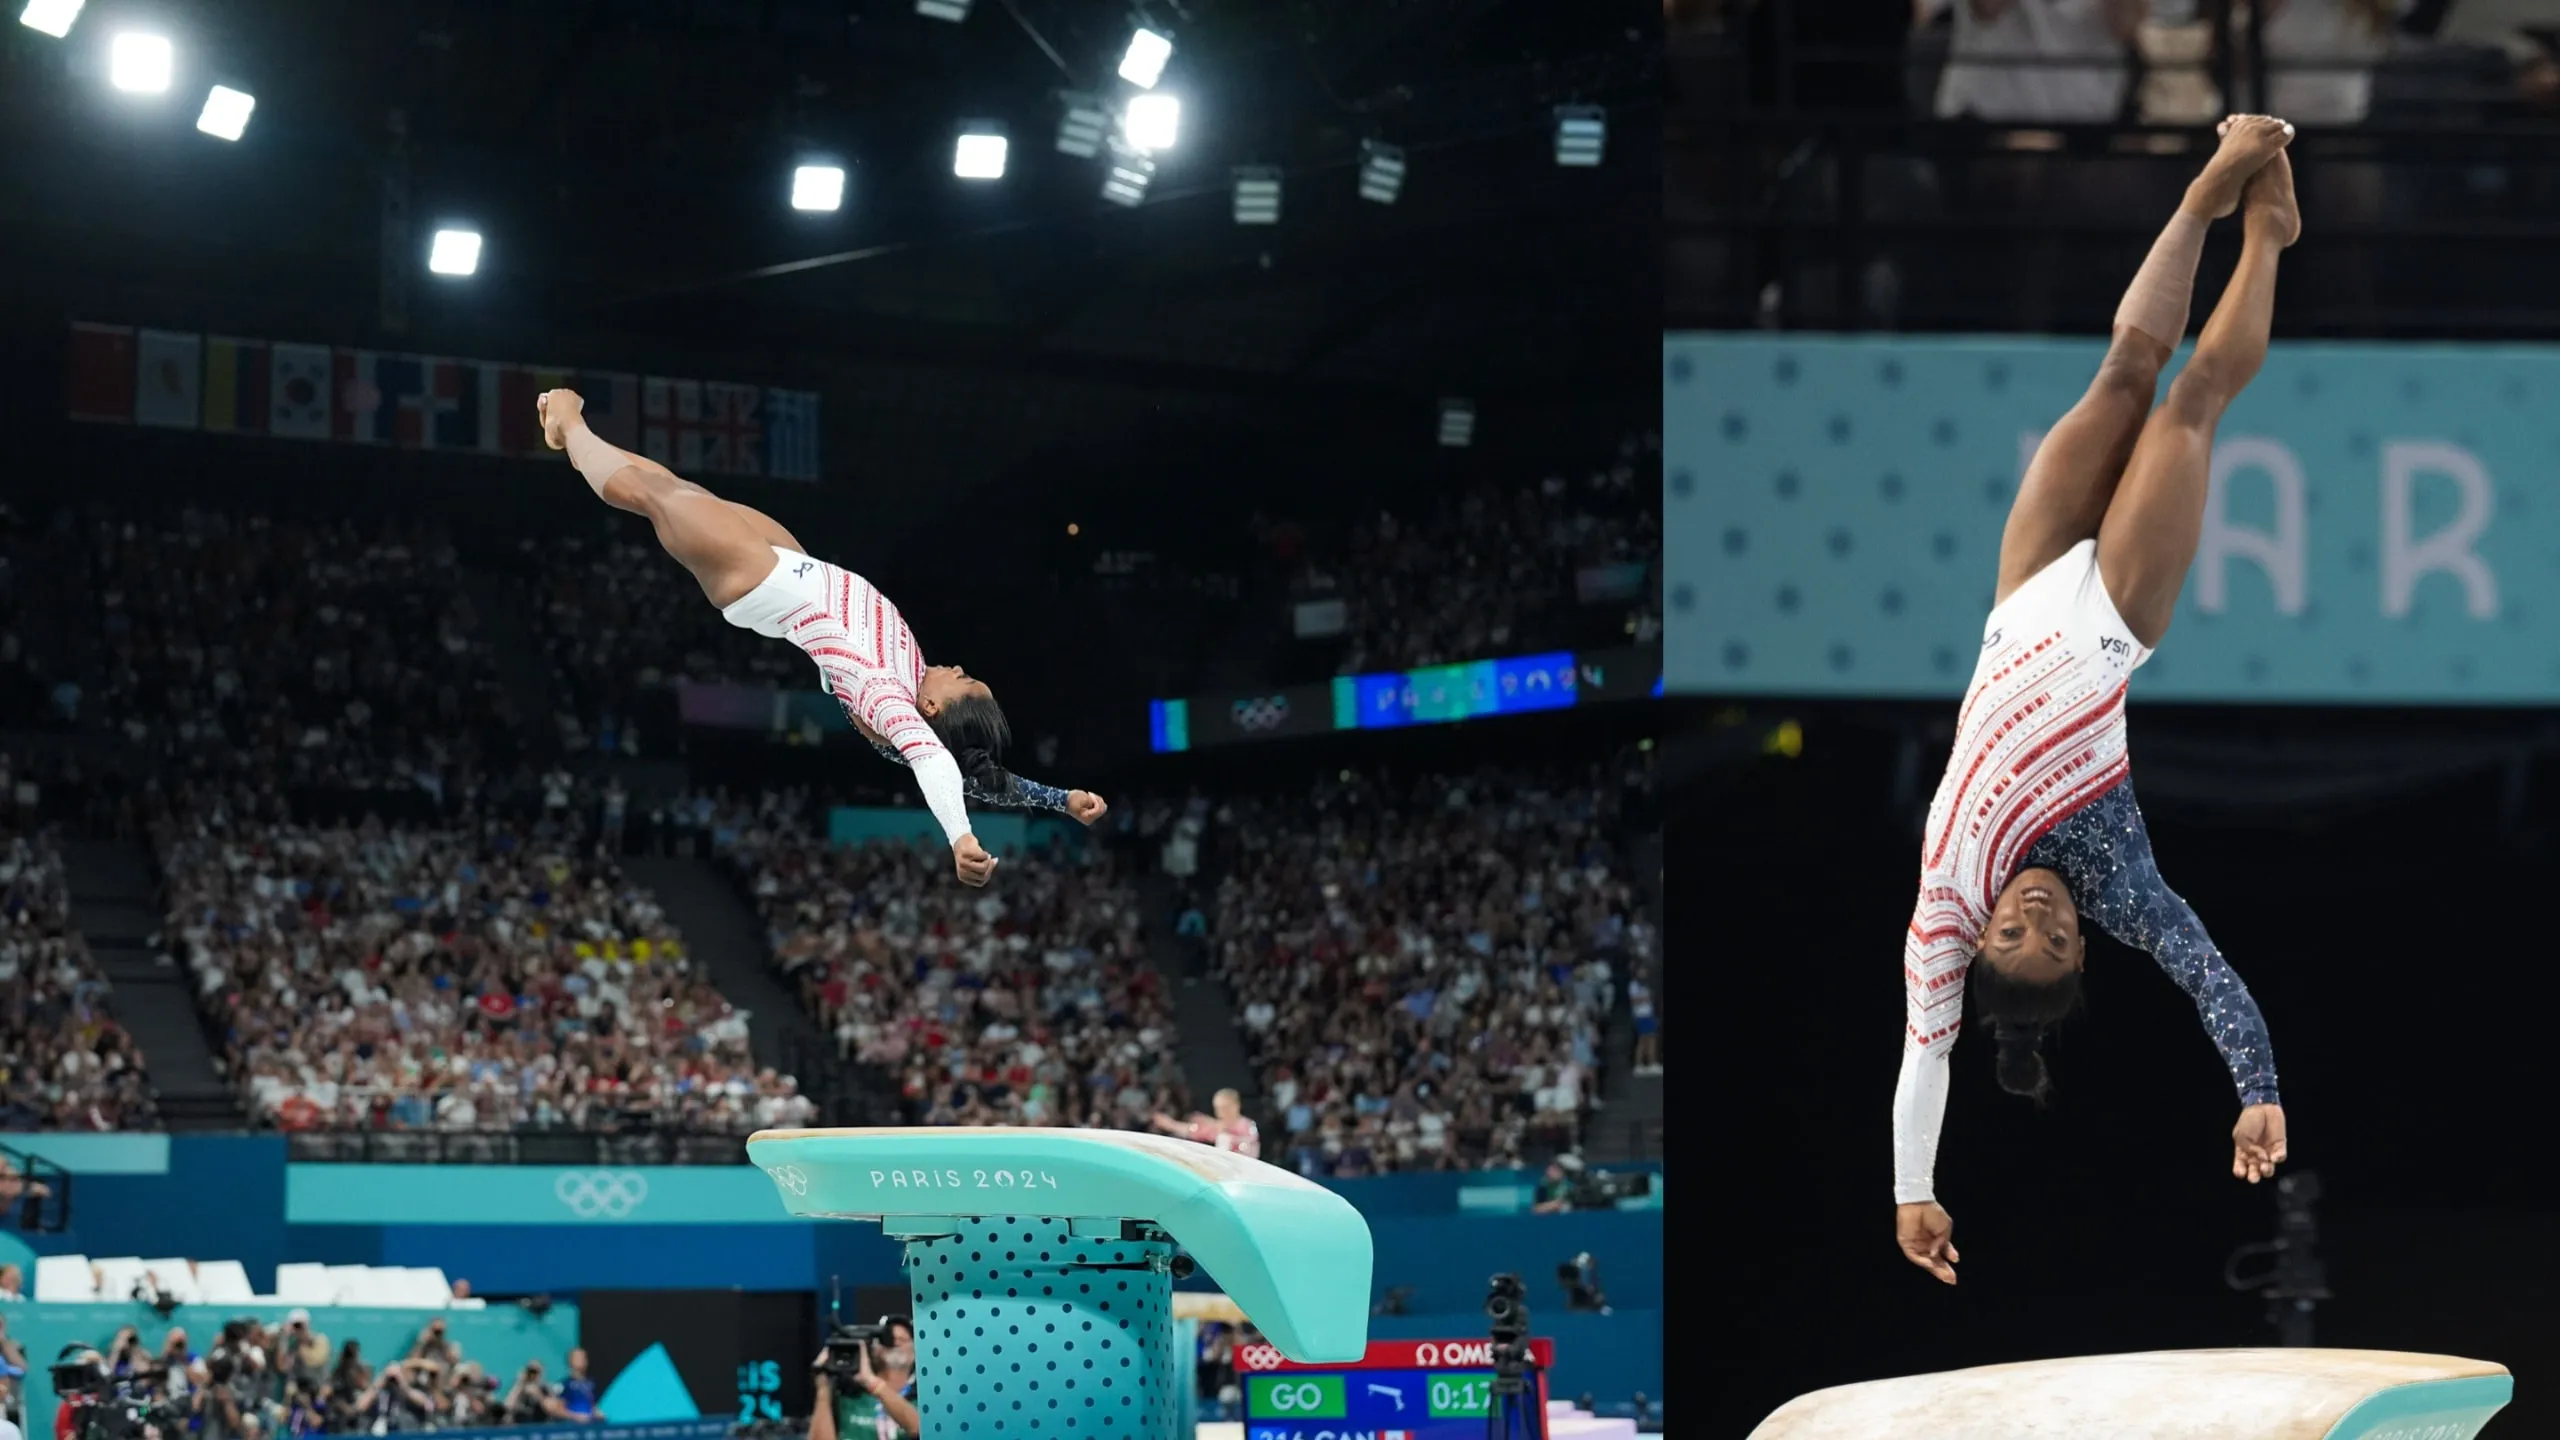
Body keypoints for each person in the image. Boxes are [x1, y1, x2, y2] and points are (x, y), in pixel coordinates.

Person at [1893, 116, 2302, 1286]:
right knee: (2186, 403)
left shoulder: (1940, 915)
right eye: (2057, 937)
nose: (2036, 913)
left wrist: (1912, 1192)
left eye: (2014, 934)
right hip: (2113, 619)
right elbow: (2211, 976)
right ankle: (2264, 231)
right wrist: (2256, 1093)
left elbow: (1924, 1063)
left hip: (2020, 595)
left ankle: (2206, 195)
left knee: (2121, 370)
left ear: (1979, 941)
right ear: (2084, 942)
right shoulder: (2122, 887)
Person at [537, 389, 1109, 887]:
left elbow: (934, 761)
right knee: (677, 488)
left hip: (760, 578)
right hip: (792, 571)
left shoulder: (890, 699)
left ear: (932, 707)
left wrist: (960, 837)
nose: (958, 667)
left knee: (650, 496)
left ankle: (571, 426)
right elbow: (975, 771)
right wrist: (1059, 800)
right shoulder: (907, 680)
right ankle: (578, 435)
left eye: (963, 682)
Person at [809, 1332, 921, 1440]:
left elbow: (920, 1429)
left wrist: (871, 1382)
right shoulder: (849, 1395)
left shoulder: (923, 1397)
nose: (896, 1343)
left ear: (915, 1351)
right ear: (873, 1349)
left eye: (903, 1339)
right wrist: (823, 1388)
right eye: (888, 1340)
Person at [1149, 1089, 1261, 1159]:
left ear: (1236, 1106)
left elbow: (1250, 1143)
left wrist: (1224, 1133)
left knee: (1223, 1138)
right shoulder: (1217, 1127)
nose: (1221, 1112)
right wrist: (1170, 1124)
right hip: (1225, 1167)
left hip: (1245, 1166)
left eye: (1225, 1107)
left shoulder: (1247, 1125)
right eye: (1218, 1108)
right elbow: (1194, 1130)